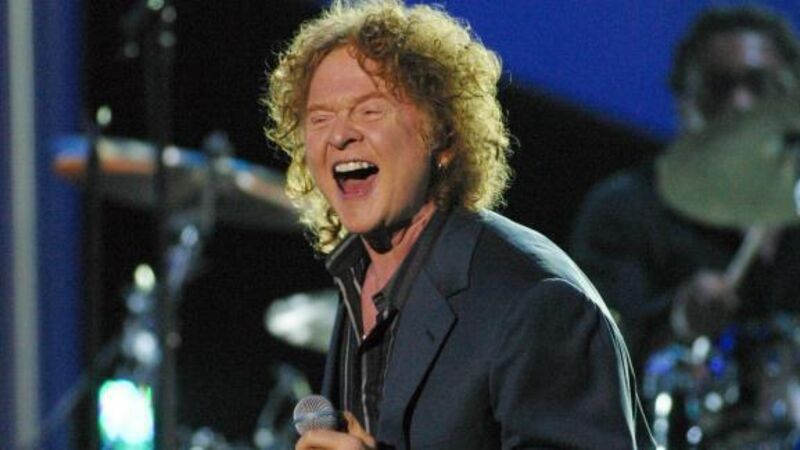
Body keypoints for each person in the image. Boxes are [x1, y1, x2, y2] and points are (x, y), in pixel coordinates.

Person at [263, 1, 642, 448]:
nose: (340, 135)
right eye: (320, 119)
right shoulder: (359, 279)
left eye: (369, 111)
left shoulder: (537, 302)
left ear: (443, 138)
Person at [570, 5, 800, 443]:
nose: (741, 103)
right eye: (718, 86)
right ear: (683, 101)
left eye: (760, 85)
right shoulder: (626, 209)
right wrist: (674, 322)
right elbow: (587, 361)